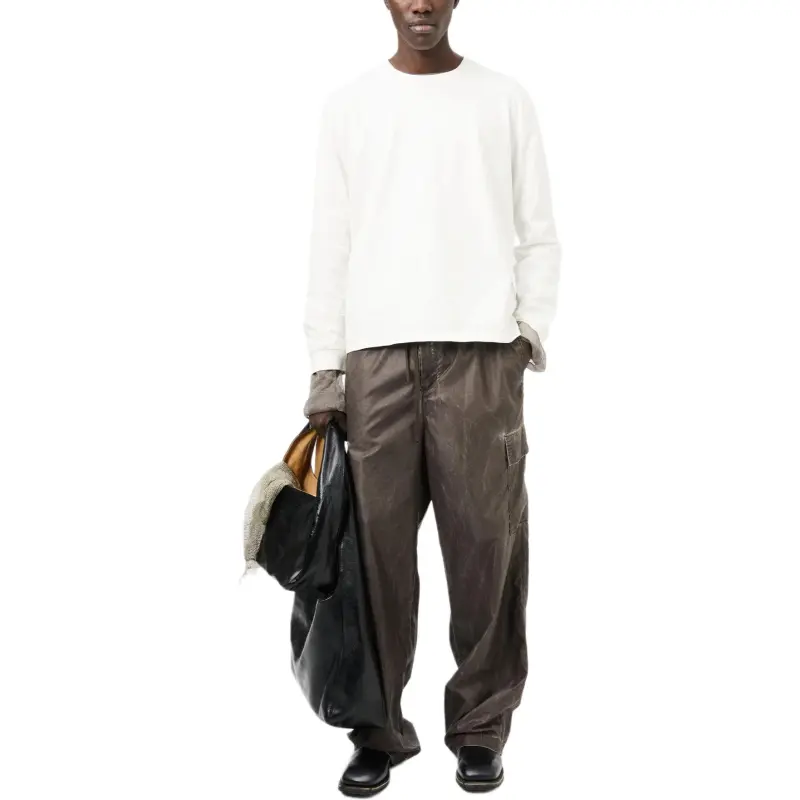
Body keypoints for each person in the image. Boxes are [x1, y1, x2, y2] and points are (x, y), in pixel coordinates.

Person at [302, 1, 561, 794]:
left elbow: (539, 233)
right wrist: (325, 368)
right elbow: (330, 242)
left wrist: (525, 335)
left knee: (486, 551)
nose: (420, 2)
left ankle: (479, 728)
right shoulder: (349, 107)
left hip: (480, 355)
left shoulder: (503, 100)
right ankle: (376, 731)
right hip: (375, 357)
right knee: (373, 558)